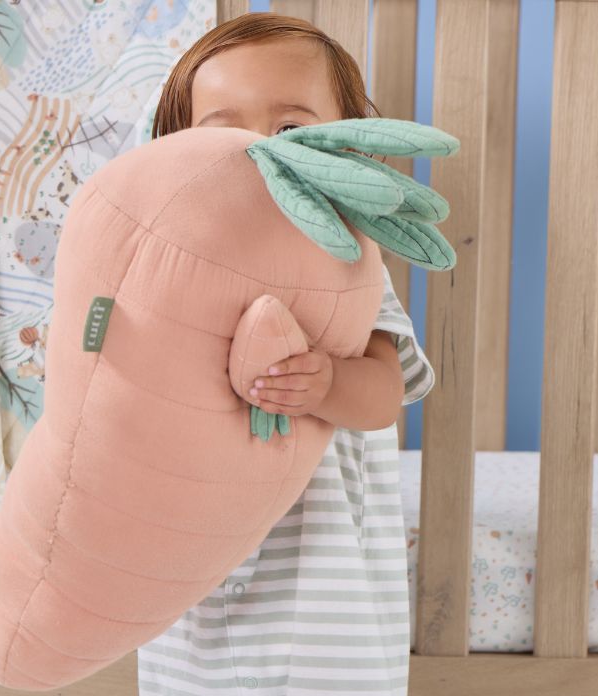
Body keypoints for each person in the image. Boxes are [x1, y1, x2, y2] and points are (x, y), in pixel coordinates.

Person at [137, 12, 436, 695]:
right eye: (227, 132)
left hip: (321, 583)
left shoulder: (348, 265)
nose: (262, 153)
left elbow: (384, 395)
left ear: (348, 145)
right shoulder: (171, 269)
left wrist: (329, 383)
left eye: (293, 131)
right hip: (200, 552)